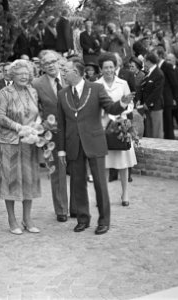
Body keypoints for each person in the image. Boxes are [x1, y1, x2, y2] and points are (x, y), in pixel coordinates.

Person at [57, 59, 132, 235]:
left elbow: (111, 108)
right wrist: (61, 149)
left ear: (76, 72)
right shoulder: (62, 94)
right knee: (78, 182)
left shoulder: (96, 89)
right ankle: (83, 219)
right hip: (74, 144)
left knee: (100, 183)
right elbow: (61, 124)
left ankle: (104, 221)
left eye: (65, 70)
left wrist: (122, 103)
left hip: (94, 142)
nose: (63, 73)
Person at [0, 59, 41, 235]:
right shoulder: (5, 92)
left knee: (28, 179)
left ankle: (27, 219)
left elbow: (36, 113)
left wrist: (37, 125)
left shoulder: (33, 91)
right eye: (20, 73)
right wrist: (18, 127)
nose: (24, 76)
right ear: (12, 75)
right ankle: (12, 219)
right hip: (10, 143)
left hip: (29, 142)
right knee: (11, 180)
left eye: (26, 74)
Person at [31, 50, 69, 223]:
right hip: (51, 135)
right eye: (46, 64)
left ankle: (77, 207)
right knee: (57, 173)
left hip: (74, 132)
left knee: (77, 171)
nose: (51, 66)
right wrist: (42, 123)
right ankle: (61, 210)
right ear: (42, 67)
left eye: (53, 62)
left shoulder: (70, 78)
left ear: (59, 61)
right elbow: (33, 109)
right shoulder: (37, 84)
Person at [96, 53, 137, 206]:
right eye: (105, 67)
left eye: (111, 67)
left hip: (121, 125)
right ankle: (103, 195)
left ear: (115, 68)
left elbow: (130, 103)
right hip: (103, 125)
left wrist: (123, 113)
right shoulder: (96, 84)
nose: (108, 70)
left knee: (123, 161)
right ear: (101, 69)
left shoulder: (123, 83)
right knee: (103, 162)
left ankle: (125, 192)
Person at [136, 52, 165, 138]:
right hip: (147, 106)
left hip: (155, 106)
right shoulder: (149, 72)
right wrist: (140, 100)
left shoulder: (158, 73)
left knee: (156, 130)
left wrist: (147, 103)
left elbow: (157, 92)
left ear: (148, 61)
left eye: (144, 60)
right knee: (149, 130)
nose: (144, 62)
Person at [156, 47, 178, 140]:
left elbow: (174, 83)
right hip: (161, 98)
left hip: (167, 97)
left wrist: (174, 98)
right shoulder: (157, 66)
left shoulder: (167, 66)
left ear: (160, 55)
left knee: (168, 121)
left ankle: (170, 140)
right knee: (164, 121)